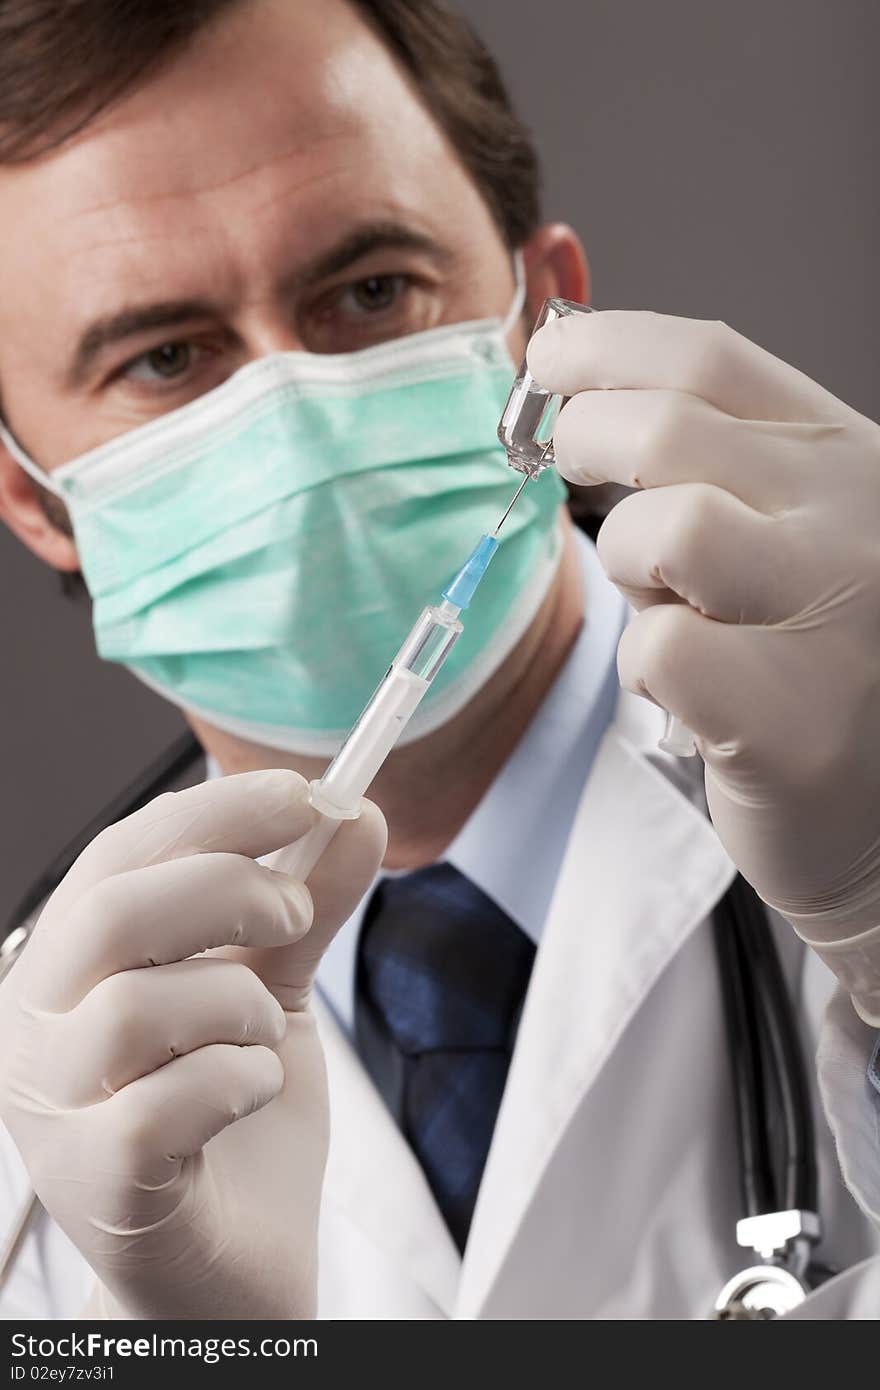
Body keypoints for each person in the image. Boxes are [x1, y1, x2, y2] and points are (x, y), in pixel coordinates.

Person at [0, 0, 878, 1321]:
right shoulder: (43, 1092)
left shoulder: (860, 816)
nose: (297, 420)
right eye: (165, 355)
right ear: (34, 500)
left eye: (368, 291)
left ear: (548, 316)